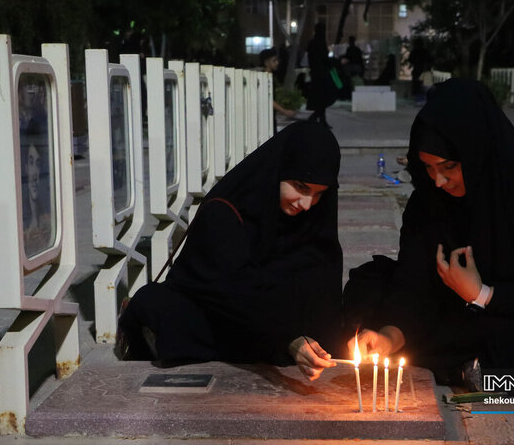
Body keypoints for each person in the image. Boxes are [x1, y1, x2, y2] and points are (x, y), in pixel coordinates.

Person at [343, 79, 514, 389]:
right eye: (428, 168)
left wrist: (481, 294)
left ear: (476, 151)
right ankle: (459, 363)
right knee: (369, 285)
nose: (438, 181)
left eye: (448, 167)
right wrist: (390, 336)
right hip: (451, 311)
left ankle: (468, 365)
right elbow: (414, 281)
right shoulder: (429, 199)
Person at [117, 122, 344, 381]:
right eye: (300, 187)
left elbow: (324, 281)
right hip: (224, 307)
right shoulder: (225, 211)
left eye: (318, 194)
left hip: (273, 316)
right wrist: (288, 337)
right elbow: (232, 291)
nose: (306, 204)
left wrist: (325, 339)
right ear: (277, 172)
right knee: (168, 311)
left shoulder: (313, 215)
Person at [260, 47, 296, 133]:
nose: (277, 63)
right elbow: (268, 99)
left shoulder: (267, 76)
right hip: (266, 116)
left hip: (269, 115)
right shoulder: (265, 77)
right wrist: (285, 112)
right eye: (274, 61)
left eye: (277, 60)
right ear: (266, 62)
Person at [306, 22, 335, 128]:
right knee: (323, 98)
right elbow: (325, 60)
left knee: (320, 99)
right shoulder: (321, 43)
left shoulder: (312, 43)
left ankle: (320, 120)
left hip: (315, 74)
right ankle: (314, 118)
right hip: (322, 75)